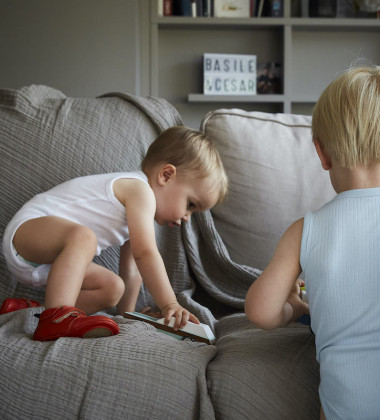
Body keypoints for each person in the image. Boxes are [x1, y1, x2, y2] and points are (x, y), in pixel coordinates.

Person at [1, 126, 228, 341]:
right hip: (27, 233)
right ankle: (55, 319)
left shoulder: (138, 214)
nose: (187, 217)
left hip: (54, 262)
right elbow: (145, 254)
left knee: (112, 288)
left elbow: (133, 270)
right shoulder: (139, 190)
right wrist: (170, 304)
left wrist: (128, 316)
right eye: (190, 204)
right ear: (166, 175)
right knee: (84, 237)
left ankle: (31, 311)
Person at [245, 65, 380, 419]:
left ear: (322, 153)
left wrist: (298, 308)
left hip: (349, 407)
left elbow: (261, 310)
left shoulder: (307, 229)